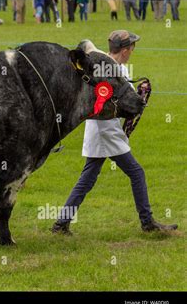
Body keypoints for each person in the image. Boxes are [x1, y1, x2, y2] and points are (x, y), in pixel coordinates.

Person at [52, 31, 178, 235]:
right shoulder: (112, 70)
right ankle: (147, 222)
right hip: (106, 130)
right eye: (132, 48)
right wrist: (141, 97)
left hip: (101, 129)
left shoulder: (107, 67)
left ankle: (61, 223)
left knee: (88, 178)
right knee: (136, 173)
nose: (133, 51)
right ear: (126, 50)